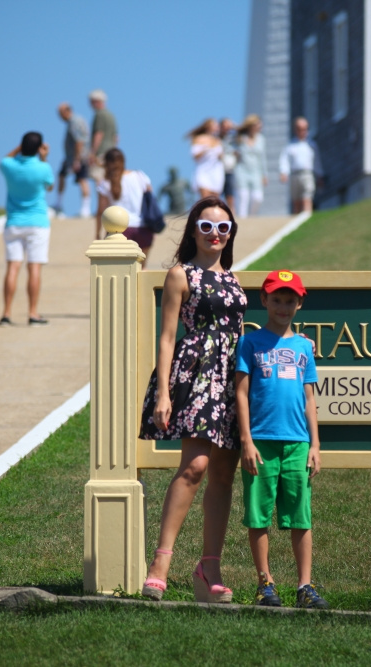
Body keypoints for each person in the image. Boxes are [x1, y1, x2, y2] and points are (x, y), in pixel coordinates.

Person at [138, 196, 247, 603]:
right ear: (193, 232)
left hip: (231, 379)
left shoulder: (234, 279)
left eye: (223, 228)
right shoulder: (180, 275)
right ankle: (159, 566)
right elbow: (167, 337)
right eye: (206, 227)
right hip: (195, 376)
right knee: (195, 466)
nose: (215, 235)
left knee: (222, 474)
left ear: (231, 233)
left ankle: (209, 571)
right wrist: (163, 393)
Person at [235, 269, 328, 609]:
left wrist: (315, 445)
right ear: (264, 301)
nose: (283, 306)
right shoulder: (250, 342)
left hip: (298, 443)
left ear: (299, 304)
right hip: (260, 441)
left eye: (290, 300)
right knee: (258, 515)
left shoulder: (304, 346)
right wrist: (246, 439)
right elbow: (241, 393)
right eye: (277, 299)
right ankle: (265, 584)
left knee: (300, 516)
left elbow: (309, 399)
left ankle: (305, 585)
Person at [0, 131, 54, 327]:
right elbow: (50, 187)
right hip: (37, 223)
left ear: (21, 146)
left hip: (14, 222)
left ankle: (6, 313)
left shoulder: (9, 166)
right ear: (39, 148)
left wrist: (19, 148)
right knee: (34, 268)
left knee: (13, 267)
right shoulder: (43, 168)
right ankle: (32, 313)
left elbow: (5, 159)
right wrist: (44, 157)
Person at [95, 147, 155, 258]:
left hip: (118, 231)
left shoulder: (105, 183)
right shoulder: (140, 176)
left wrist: (98, 233)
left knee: (118, 271)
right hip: (143, 229)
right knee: (142, 269)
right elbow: (151, 199)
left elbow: (100, 211)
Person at [279, 117, 324, 214]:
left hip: (307, 175)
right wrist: (284, 172)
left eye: (304, 129)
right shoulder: (290, 146)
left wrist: (320, 175)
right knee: (296, 202)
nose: (302, 132)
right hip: (294, 175)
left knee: (307, 198)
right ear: (295, 130)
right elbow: (285, 161)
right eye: (300, 129)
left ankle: (307, 218)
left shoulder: (312, 145)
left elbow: (316, 162)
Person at [55, 102, 92, 219]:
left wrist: (76, 159)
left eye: (60, 114)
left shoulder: (74, 122)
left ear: (67, 111)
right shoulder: (75, 121)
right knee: (64, 176)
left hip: (77, 157)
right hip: (73, 157)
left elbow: (79, 141)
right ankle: (60, 204)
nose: (60, 117)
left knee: (82, 179)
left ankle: (84, 208)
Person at [234, 114, 268, 219]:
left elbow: (263, 158)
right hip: (242, 170)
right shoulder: (240, 138)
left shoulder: (261, 139)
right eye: (258, 125)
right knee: (243, 197)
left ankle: (252, 216)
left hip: (256, 171)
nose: (259, 128)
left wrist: (264, 174)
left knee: (258, 197)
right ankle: (242, 221)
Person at [189, 118, 224, 199]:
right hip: (203, 169)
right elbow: (195, 155)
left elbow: (221, 156)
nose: (217, 127)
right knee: (204, 196)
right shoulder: (199, 138)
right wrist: (206, 149)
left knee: (215, 198)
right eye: (214, 125)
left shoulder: (217, 140)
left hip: (216, 170)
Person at [219, 117, 238, 210]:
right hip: (217, 170)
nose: (227, 128)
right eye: (225, 126)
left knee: (230, 193)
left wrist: (234, 126)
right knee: (216, 193)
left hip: (229, 169)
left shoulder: (233, 137)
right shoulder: (216, 137)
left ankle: (231, 212)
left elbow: (242, 131)